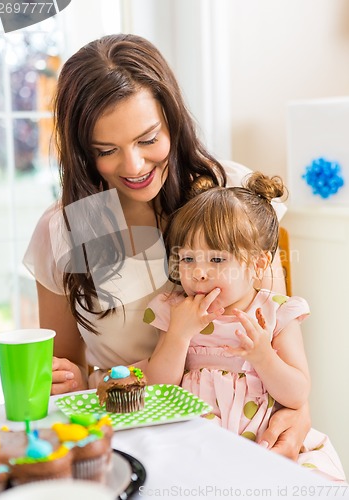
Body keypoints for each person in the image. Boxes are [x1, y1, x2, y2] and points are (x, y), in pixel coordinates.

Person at [24, 33, 309, 460]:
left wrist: (301, 412)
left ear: (171, 118)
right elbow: (69, 373)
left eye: (147, 139)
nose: (134, 166)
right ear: (84, 152)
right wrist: (71, 382)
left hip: (248, 428)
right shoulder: (67, 227)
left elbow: (280, 337)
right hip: (134, 436)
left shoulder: (231, 195)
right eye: (107, 150)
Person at [143, 172, 346, 482]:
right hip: (198, 445)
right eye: (187, 258)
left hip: (263, 441)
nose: (198, 272)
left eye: (216, 259)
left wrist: (264, 355)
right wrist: (179, 335)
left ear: (258, 265)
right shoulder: (175, 310)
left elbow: (297, 392)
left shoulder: (275, 313)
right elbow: (158, 388)